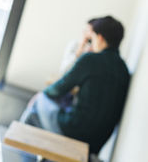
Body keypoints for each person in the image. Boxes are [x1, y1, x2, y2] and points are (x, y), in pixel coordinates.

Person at [21, 16, 130, 155]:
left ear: (100, 38)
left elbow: (58, 88)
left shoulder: (91, 59)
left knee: (39, 101)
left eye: (93, 38)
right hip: (96, 144)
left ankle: (21, 150)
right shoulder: (123, 70)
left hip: (73, 133)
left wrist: (41, 94)